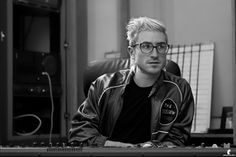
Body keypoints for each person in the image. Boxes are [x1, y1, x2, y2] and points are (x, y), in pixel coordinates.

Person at [68, 17, 194, 148]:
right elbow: (79, 133)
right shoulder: (103, 85)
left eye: (161, 46)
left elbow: (177, 139)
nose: (155, 54)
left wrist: (150, 148)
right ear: (132, 52)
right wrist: (121, 147)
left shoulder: (180, 89)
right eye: (146, 46)